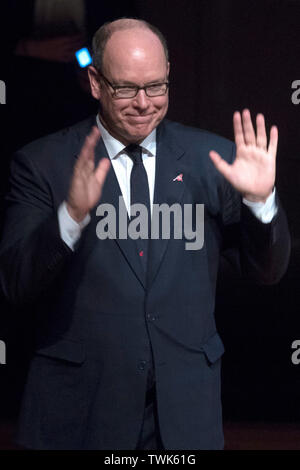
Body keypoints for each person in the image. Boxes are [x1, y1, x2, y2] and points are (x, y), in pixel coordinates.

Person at [0, 18, 290, 450]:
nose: (144, 103)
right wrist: (70, 216)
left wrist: (260, 202)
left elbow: (266, 272)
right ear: (95, 82)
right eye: (126, 88)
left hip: (185, 414)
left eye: (157, 86)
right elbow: (15, 283)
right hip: (81, 413)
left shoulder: (214, 161)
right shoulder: (41, 164)